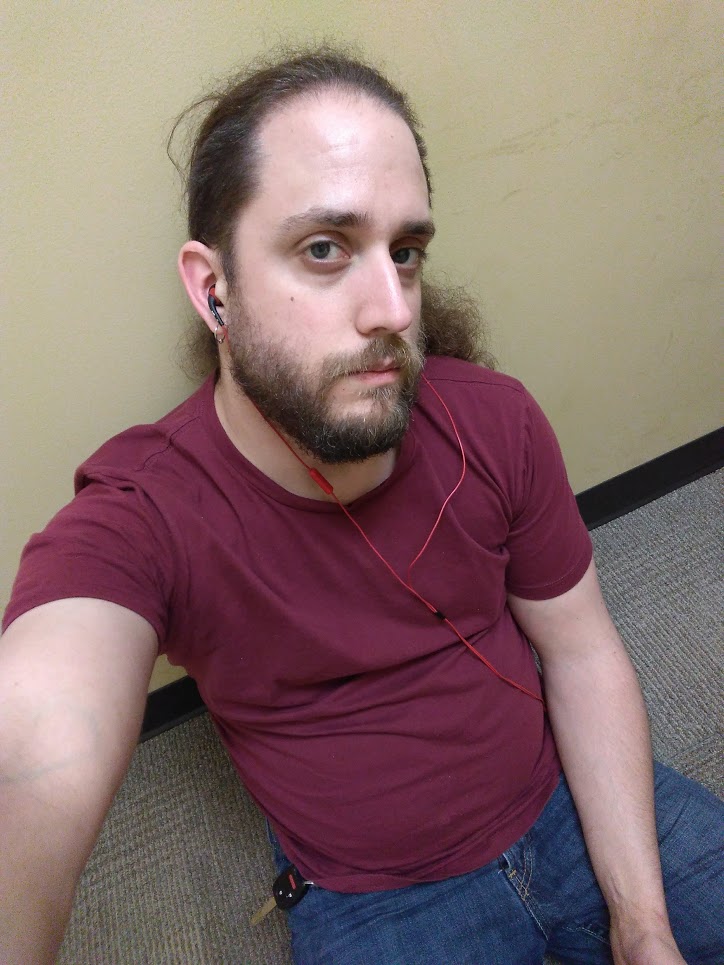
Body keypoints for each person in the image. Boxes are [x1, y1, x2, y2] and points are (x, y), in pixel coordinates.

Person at [1, 46, 721, 965]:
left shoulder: (494, 421)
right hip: (379, 902)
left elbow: (581, 652)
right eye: (324, 248)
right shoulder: (144, 514)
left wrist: (644, 923)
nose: (391, 307)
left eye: (407, 252)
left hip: (574, 804)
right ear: (213, 287)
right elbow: (32, 749)